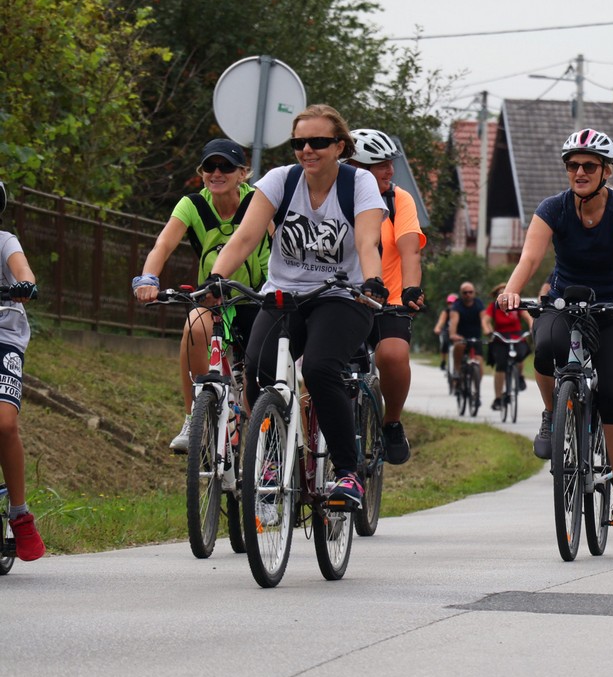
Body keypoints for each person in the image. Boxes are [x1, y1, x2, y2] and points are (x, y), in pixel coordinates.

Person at [208, 103, 388, 510]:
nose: (307, 150)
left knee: (321, 368)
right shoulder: (279, 181)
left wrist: (373, 280)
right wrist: (217, 278)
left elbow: (366, 242)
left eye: (318, 142)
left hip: (343, 295)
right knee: (257, 371)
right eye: (299, 142)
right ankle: (271, 463)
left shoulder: (359, 184)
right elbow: (244, 238)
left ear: (340, 146)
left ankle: (347, 473)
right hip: (284, 294)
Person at [496, 128, 613, 525]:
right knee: (546, 345)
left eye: (588, 166)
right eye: (572, 165)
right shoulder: (553, 208)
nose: (579, 172)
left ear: (606, 171)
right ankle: (553, 414)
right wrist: (512, 291)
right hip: (566, 303)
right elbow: (530, 258)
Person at [133, 138, 270, 452]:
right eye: (210, 166)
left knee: (255, 387)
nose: (217, 172)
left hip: (254, 299)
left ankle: (261, 451)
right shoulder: (192, 204)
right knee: (193, 327)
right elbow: (163, 244)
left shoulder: (258, 201)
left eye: (226, 166)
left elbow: (279, 241)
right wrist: (148, 278)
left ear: (242, 173)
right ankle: (197, 414)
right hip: (211, 296)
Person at [347, 128, 425, 465]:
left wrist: (410, 288)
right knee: (321, 375)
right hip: (342, 297)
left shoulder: (398, 199)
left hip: (388, 297)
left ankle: (391, 421)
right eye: (379, 165)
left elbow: (410, 250)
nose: (389, 171)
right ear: (354, 168)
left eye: (390, 163)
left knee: (393, 355)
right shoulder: (335, 198)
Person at [0, 182, 45, 561]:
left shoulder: (5, 241)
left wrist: (24, 285)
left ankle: (19, 513)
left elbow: (22, 269)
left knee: (4, 424)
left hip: (4, 334)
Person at [482, 282, 533, 411]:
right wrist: (488, 330)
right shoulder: (493, 307)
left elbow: (528, 317)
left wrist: (532, 327)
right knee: (501, 366)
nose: (503, 297)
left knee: (520, 356)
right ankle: (498, 398)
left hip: (516, 336)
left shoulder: (516, 305)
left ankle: (519, 377)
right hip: (500, 337)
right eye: (500, 294)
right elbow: (485, 320)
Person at [447, 281, 485, 406]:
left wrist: (487, 330)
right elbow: (454, 321)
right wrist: (453, 334)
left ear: (474, 293)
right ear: (461, 294)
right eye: (465, 292)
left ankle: (476, 392)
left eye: (470, 292)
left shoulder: (479, 303)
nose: (468, 295)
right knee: (459, 346)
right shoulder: (457, 306)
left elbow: (484, 319)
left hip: (475, 338)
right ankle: (458, 372)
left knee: (479, 364)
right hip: (461, 337)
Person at [433, 293, 456, 370]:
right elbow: (441, 321)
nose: (451, 305)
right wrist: (437, 328)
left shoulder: (460, 311)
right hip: (447, 331)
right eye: (449, 303)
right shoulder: (446, 311)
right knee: (444, 343)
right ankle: (443, 361)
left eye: (453, 303)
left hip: (457, 332)